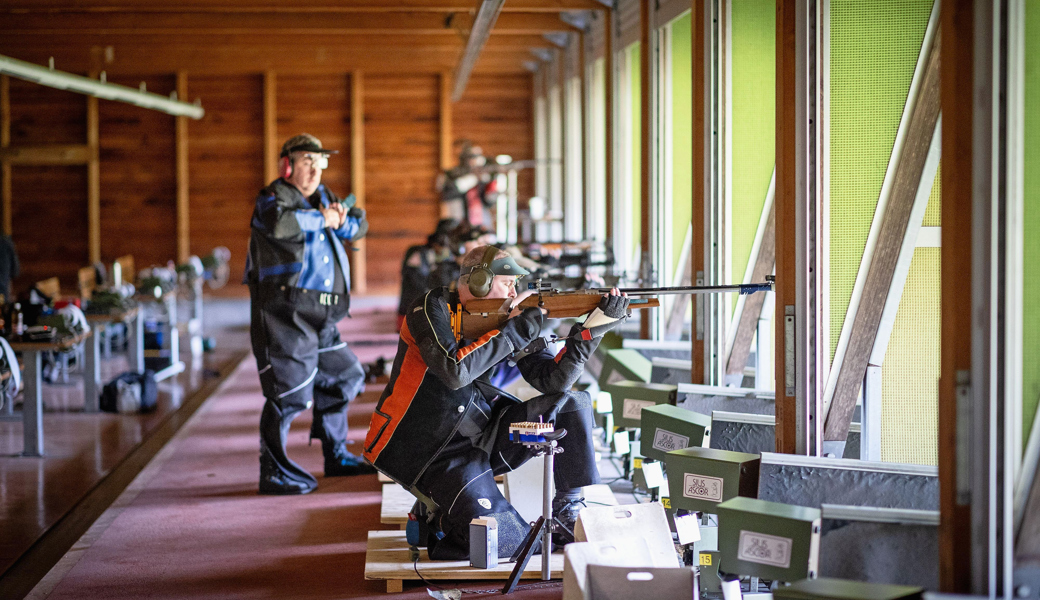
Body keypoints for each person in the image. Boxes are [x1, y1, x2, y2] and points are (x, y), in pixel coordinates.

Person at [363, 245, 629, 560]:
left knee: (572, 402)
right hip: (422, 449)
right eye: (508, 282)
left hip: (478, 437)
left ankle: (567, 511)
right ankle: (442, 513)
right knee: (507, 541)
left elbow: (553, 382)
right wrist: (514, 330)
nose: (516, 291)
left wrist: (591, 330)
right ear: (479, 281)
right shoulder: (429, 307)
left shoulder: (503, 318)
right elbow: (454, 371)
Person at [246, 133, 375, 496]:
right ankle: (272, 470)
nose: (315, 169)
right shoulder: (271, 198)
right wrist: (323, 219)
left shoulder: (326, 197)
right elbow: (281, 226)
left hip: (323, 314)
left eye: (319, 162)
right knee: (290, 395)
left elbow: (358, 225)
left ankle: (335, 454)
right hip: (285, 313)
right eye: (306, 161)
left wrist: (340, 219)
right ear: (287, 164)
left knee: (344, 376)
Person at [436, 142, 499, 228]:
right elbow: (448, 192)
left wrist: (490, 186)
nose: (474, 162)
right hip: (457, 220)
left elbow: (489, 202)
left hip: (480, 221)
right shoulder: (453, 173)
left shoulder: (483, 176)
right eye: (472, 158)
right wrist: (473, 178)